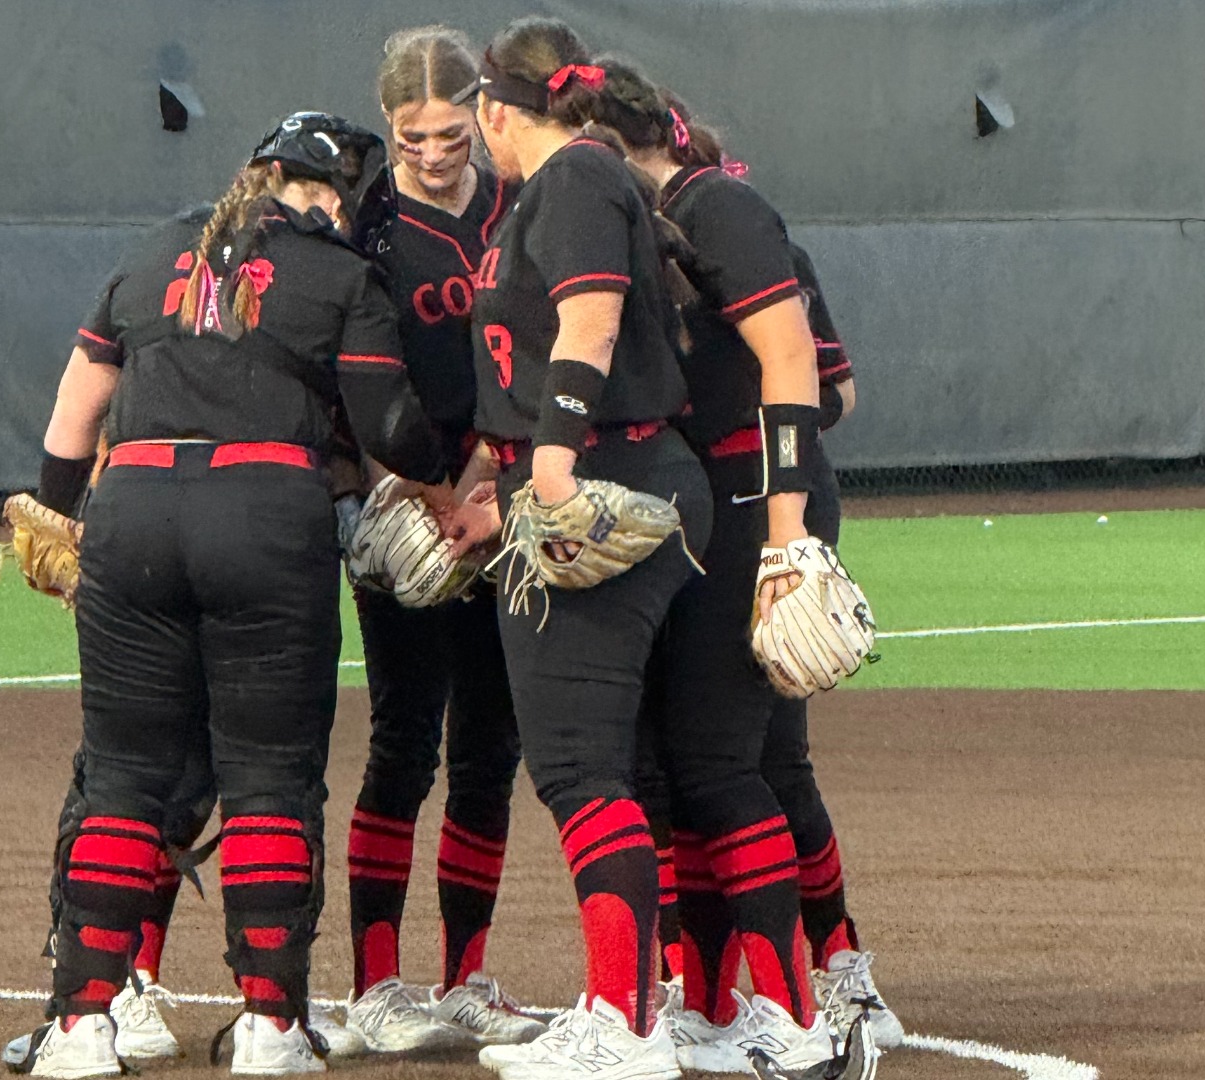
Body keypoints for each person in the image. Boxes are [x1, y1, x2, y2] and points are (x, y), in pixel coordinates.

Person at [0, 112, 451, 1078]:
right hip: (266, 516)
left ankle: (82, 1024)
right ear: (333, 196)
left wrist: (56, 515)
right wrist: (455, 470)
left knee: (122, 777)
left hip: (132, 517)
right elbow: (387, 423)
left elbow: (76, 411)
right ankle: (270, 1025)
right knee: (269, 779)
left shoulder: (154, 251)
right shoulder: (340, 273)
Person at [591, 59, 902, 1061]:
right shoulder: (615, 231)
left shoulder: (721, 213)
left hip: (751, 507)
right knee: (681, 763)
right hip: (681, 510)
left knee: (748, 763)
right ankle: (709, 992)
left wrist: (785, 520)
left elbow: (830, 386)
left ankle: (829, 983)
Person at [445, 17, 712, 1080]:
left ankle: (626, 1020)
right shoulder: (560, 186)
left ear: (494, 111)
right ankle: (647, 1003)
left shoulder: (575, 177)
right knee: (623, 763)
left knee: (576, 766)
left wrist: (549, 469)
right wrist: (496, 487)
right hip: (606, 473)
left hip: (607, 476)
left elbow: (590, 321)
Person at [337, 24, 543, 1053]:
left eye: (449, 132)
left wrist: (493, 478)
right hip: (411, 507)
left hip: (501, 505)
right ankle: (375, 986)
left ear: (481, 114)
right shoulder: (368, 226)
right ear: (387, 126)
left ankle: (466, 976)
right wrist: (402, 490)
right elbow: (353, 374)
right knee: (404, 742)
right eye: (409, 135)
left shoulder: (520, 204)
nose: (429, 152)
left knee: (490, 749)